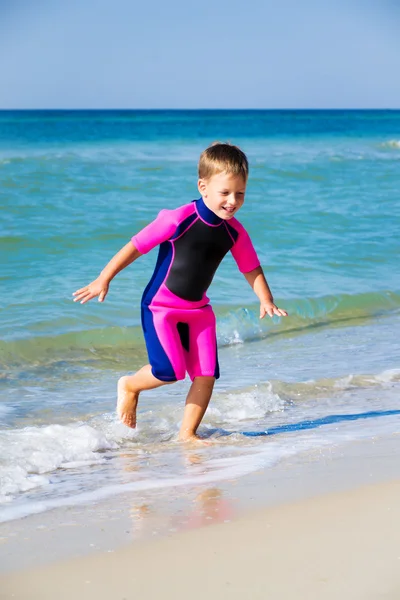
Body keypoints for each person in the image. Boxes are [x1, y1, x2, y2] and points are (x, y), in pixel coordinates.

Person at [73, 142, 288, 441]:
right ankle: (130, 385)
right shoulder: (179, 219)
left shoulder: (235, 232)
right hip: (161, 308)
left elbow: (251, 268)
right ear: (203, 187)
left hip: (199, 311)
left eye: (240, 193)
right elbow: (136, 246)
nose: (233, 201)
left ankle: (187, 434)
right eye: (225, 192)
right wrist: (103, 278)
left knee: (206, 374)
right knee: (169, 371)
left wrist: (266, 299)